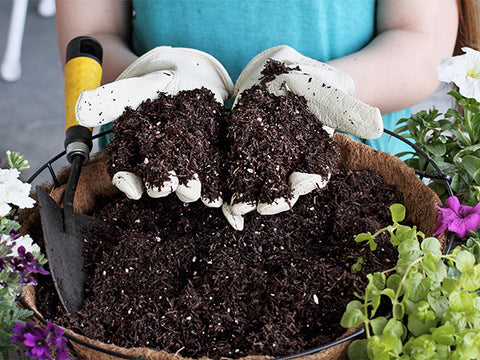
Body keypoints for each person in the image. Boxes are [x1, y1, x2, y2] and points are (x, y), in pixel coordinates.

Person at [55, 0, 479, 154]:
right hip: (159, 140)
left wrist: (317, 86)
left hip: (342, 145)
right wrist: (161, 87)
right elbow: (92, 35)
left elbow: (419, 38)